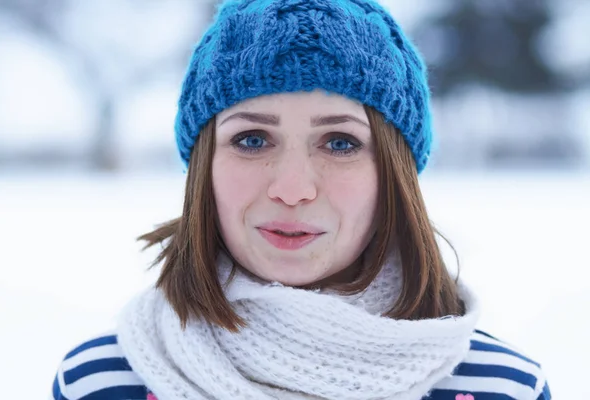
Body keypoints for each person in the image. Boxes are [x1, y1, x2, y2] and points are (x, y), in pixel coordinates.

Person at [50, 0, 551, 399]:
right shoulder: (103, 383)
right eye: (251, 140)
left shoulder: (500, 389)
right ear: (205, 168)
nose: (292, 189)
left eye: (340, 143)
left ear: (394, 176)